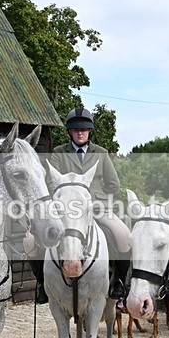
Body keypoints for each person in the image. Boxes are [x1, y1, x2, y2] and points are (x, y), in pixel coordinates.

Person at [30, 107, 131, 304]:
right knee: (30, 240)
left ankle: (119, 282)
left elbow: (114, 183)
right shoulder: (59, 152)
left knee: (123, 235)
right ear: (70, 132)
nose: (80, 133)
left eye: (84, 129)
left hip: (96, 207)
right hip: (64, 210)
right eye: (76, 130)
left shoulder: (101, 153)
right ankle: (43, 283)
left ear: (89, 131)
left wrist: (90, 197)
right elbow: (51, 182)